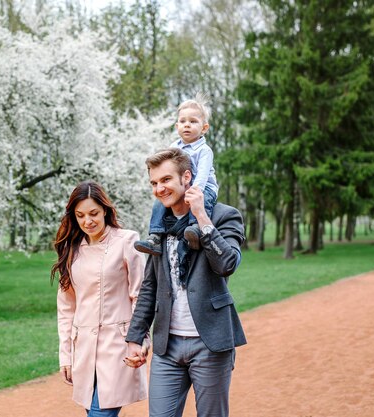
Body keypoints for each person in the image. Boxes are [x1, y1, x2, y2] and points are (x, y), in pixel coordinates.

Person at [125, 148, 246, 417]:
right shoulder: (159, 226)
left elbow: (227, 265)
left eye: (166, 180)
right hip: (167, 345)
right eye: (154, 183)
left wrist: (202, 218)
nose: (159, 189)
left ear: (187, 177)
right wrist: (136, 337)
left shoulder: (225, 215)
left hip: (211, 342)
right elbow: (150, 285)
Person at [51, 180, 149, 416]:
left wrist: (140, 341)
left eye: (93, 213)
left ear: (105, 209)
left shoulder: (127, 241)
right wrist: (66, 355)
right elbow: (66, 308)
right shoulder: (71, 250)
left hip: (118, 348)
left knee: (100, 413)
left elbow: (140, 297)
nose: (88, 221)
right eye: (80, 215)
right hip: (83, 349)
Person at [134, 93, 219, 256]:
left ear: (204, 128)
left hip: (204, 188)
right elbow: (168, 167)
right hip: (182, 185)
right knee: (160, 201)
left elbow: (202, 174)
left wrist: (196, 191)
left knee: (202, 201)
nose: (187, 125)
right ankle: (155, 237)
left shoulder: (204, 151)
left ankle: (195, 228)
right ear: (176, 126)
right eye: (183, 121)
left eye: (193, 121)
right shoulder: (174, 146)